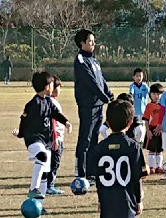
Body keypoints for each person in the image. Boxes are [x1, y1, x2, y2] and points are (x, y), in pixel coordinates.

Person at [12, 71, 72, 214]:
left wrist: (66, 122)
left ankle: (39, 205)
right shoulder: (33, 104)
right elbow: (24, 120)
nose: (53, 86)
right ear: (46, 87)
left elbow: (56, 114)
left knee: (45, 173)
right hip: (33, 139)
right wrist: (20, 134)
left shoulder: (49, 102)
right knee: (42, 156)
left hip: (46, 141)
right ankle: (33, 189)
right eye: (52, 84)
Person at [73, 29, 114, 180]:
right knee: (86, 138)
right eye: (90, 41)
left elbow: (100, 79)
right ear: (82, 43)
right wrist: (103, 96)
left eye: (93, 40)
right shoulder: (80, 60)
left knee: (94, 138)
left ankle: (91, 172)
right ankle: (81, 173)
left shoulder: (94, 60)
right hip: (87, 105)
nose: (93, 43)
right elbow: (90, 81)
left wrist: (109, 93)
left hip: (98, 105)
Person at [95, 100, 146, 218]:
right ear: (130, 122)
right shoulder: (133, 147)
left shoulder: (100, 147)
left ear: (108, 122)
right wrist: (138, 200)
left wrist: (100, 199)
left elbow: (99, 178)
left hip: (107, 202)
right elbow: (136, 177)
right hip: (127, 201)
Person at [46, 75, 66, 195]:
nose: (60, 90)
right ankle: (50, 185)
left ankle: (48, 184)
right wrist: (56, 139)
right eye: (59, 87)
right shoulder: (52, 102)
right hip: (56, 138)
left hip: (55, 137)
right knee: (54, 162)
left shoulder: (49, 101)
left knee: (52, 162)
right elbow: (53, 121)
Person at [142, 83, 164, 174]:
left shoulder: (164, 106)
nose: (156, 96)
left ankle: (159, 166)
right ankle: (151, 167)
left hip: (161, 129)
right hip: (152, 129)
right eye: (154, 94)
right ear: (150, 94)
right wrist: (147, 131)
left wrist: (162, 127)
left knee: (159, 149)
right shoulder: (149, 106)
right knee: (152, 149)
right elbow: (146, 120)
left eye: (159, 94)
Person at [129, 68, 149, 144]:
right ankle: (136, 140)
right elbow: (131, 94)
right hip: (135, 111)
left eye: (140, 76)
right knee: (136, 127)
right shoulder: (132, 86)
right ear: (133, 77)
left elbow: (150, 93)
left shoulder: (145, 86)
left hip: (144, 111)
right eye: (137, 76)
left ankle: (141, 142)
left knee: (143, 126)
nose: (139, 78)